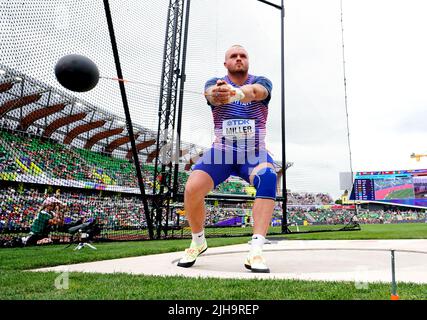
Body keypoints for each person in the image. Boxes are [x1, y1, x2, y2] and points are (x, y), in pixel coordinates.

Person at [177, 45, 277, 273]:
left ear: (248, 62)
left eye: (243, 56)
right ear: (226, 64)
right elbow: (212, 95)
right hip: (222, 152)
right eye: (234, 56)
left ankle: (256, 251)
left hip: (254, 152)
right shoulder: (214, 82)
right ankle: (198, 241)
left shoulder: (262, 81)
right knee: (192, 187)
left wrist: (238, 93)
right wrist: (219, 93)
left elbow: (257, 92)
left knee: (268, 177)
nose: (239, 58)